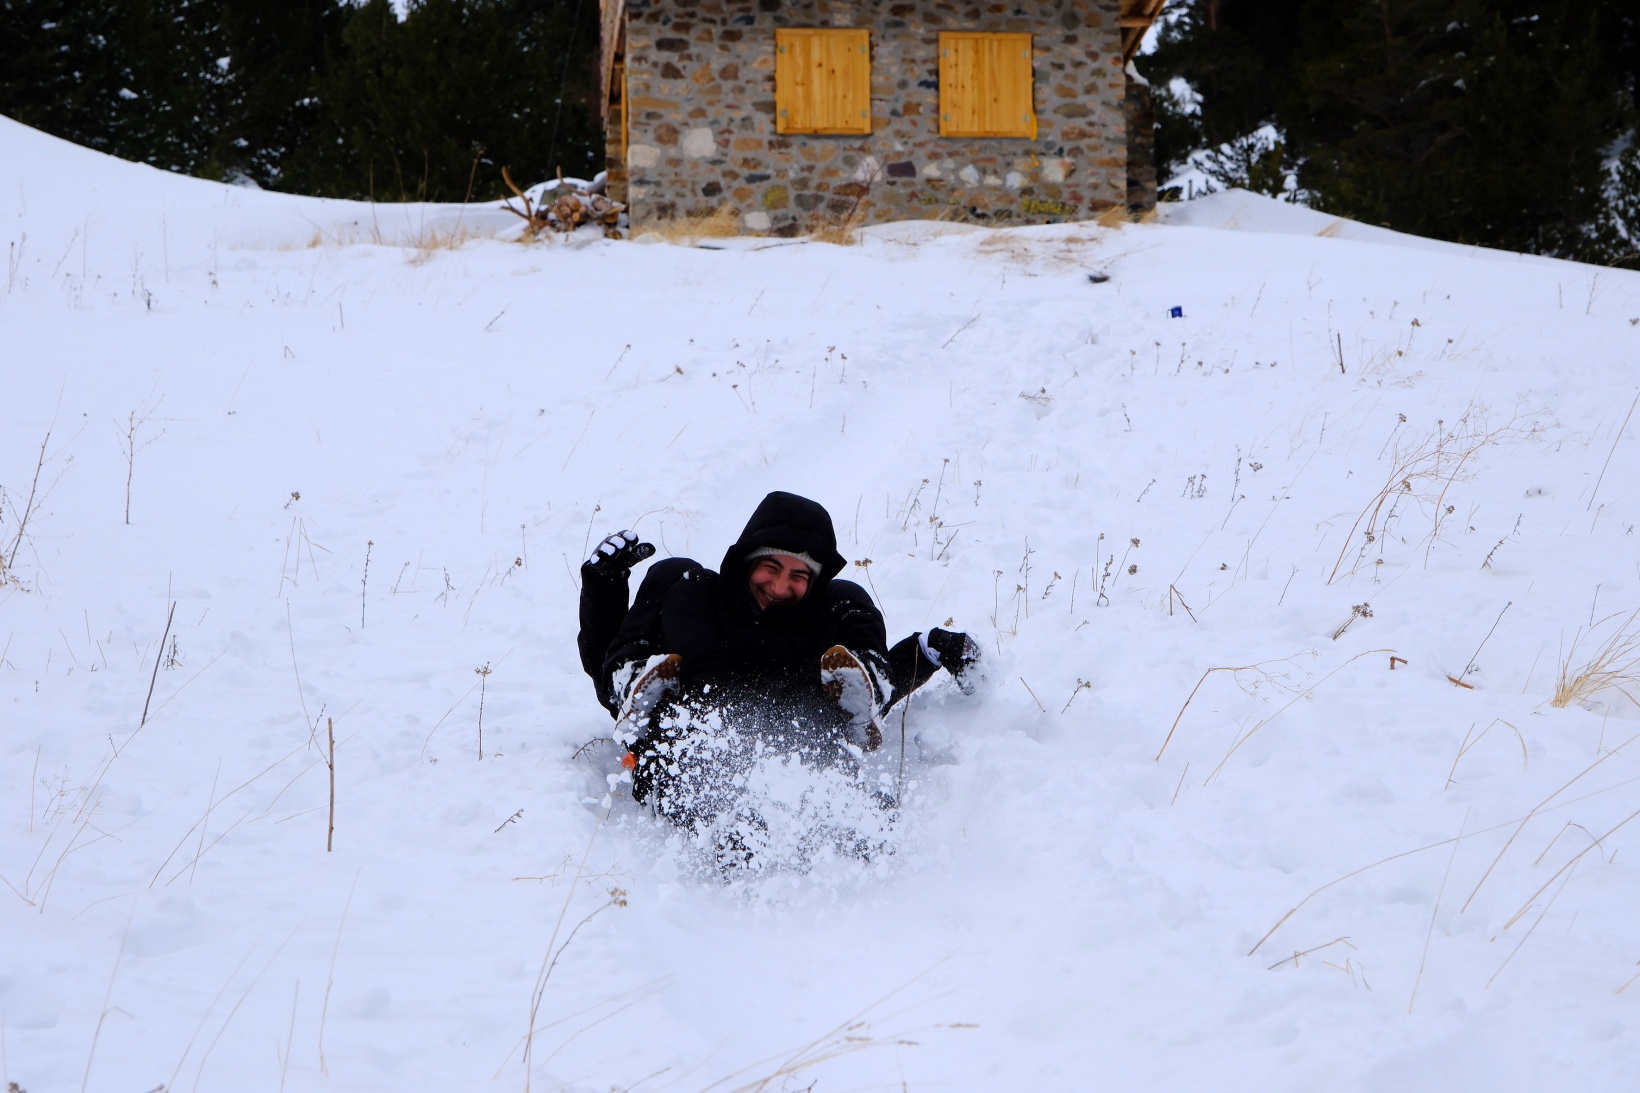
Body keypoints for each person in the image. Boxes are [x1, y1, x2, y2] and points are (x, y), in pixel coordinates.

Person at [577, 491, 979, 816]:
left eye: (799, 575)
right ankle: (636, 687)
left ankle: (866, 694)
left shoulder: (825, 616)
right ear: (747, 561)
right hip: (691, 743)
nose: (780, 586)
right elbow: (604, 664)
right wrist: (604, 590)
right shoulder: (698, 598)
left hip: (804, 752)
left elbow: (866, 667)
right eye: (770, 566)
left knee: (849, 603)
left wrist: (930, 649)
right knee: (675, 574)